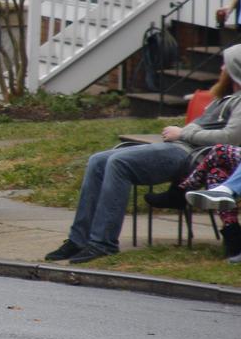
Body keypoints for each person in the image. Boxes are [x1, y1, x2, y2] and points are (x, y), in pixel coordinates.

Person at [45, 44, 241, 264]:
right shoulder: (224, 98)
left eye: (226, 62)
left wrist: (185, 132)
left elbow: (232, 138)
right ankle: (78, 239)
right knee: (98, 160)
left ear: (235, 68)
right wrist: (185, 132)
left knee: (120, 162)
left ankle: (103, 243)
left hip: (193, 156)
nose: (221, 67)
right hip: (182, 146)